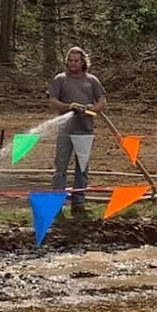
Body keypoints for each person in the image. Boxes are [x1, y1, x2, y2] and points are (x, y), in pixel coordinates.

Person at [48, 46, 106, 214]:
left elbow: (102, 102)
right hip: (65, 131)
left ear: (83, 62)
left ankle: (78, 203)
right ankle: (57, 204)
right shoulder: (60, 79)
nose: (73, 63)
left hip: (85, 130)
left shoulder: (92, 80)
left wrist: (90, 109)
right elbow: (52, 101)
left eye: (76, 61)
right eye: (70, 60)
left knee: (82, 169)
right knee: (60, 168)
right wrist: (69, 106)